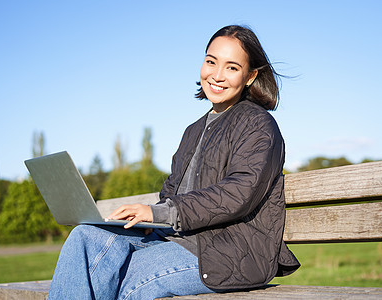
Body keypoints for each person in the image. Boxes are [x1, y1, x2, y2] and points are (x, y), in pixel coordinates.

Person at [48, 25, 300, 300]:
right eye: (211, 61)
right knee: (85, 237)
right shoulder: (193, 130)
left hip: (230, 251)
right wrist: (150, 219)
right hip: (177, 239)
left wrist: (160, 214)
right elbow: (171, 192)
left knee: (126, 279)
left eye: (231, 68)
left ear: (250, 76)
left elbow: (237, 193)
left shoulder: (259, 125)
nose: (216, 75)